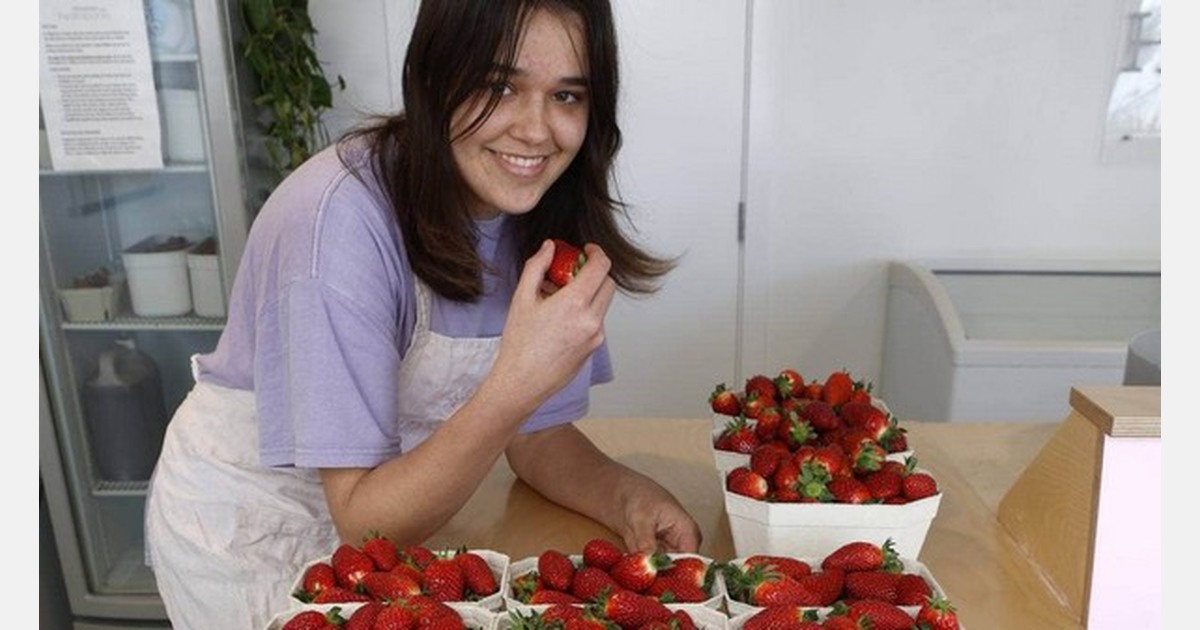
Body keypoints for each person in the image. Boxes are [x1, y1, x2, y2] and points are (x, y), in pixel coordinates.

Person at [143, 0, 702, 628]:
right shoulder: (337, 224)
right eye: (499, 86)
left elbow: (536, 434)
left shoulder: (537, 210)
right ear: (433, 78)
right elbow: (363, 521)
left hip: (401, 513)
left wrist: (630, 498)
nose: (537, 130)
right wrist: (513, 383)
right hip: (254, 528)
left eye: (567, 96)